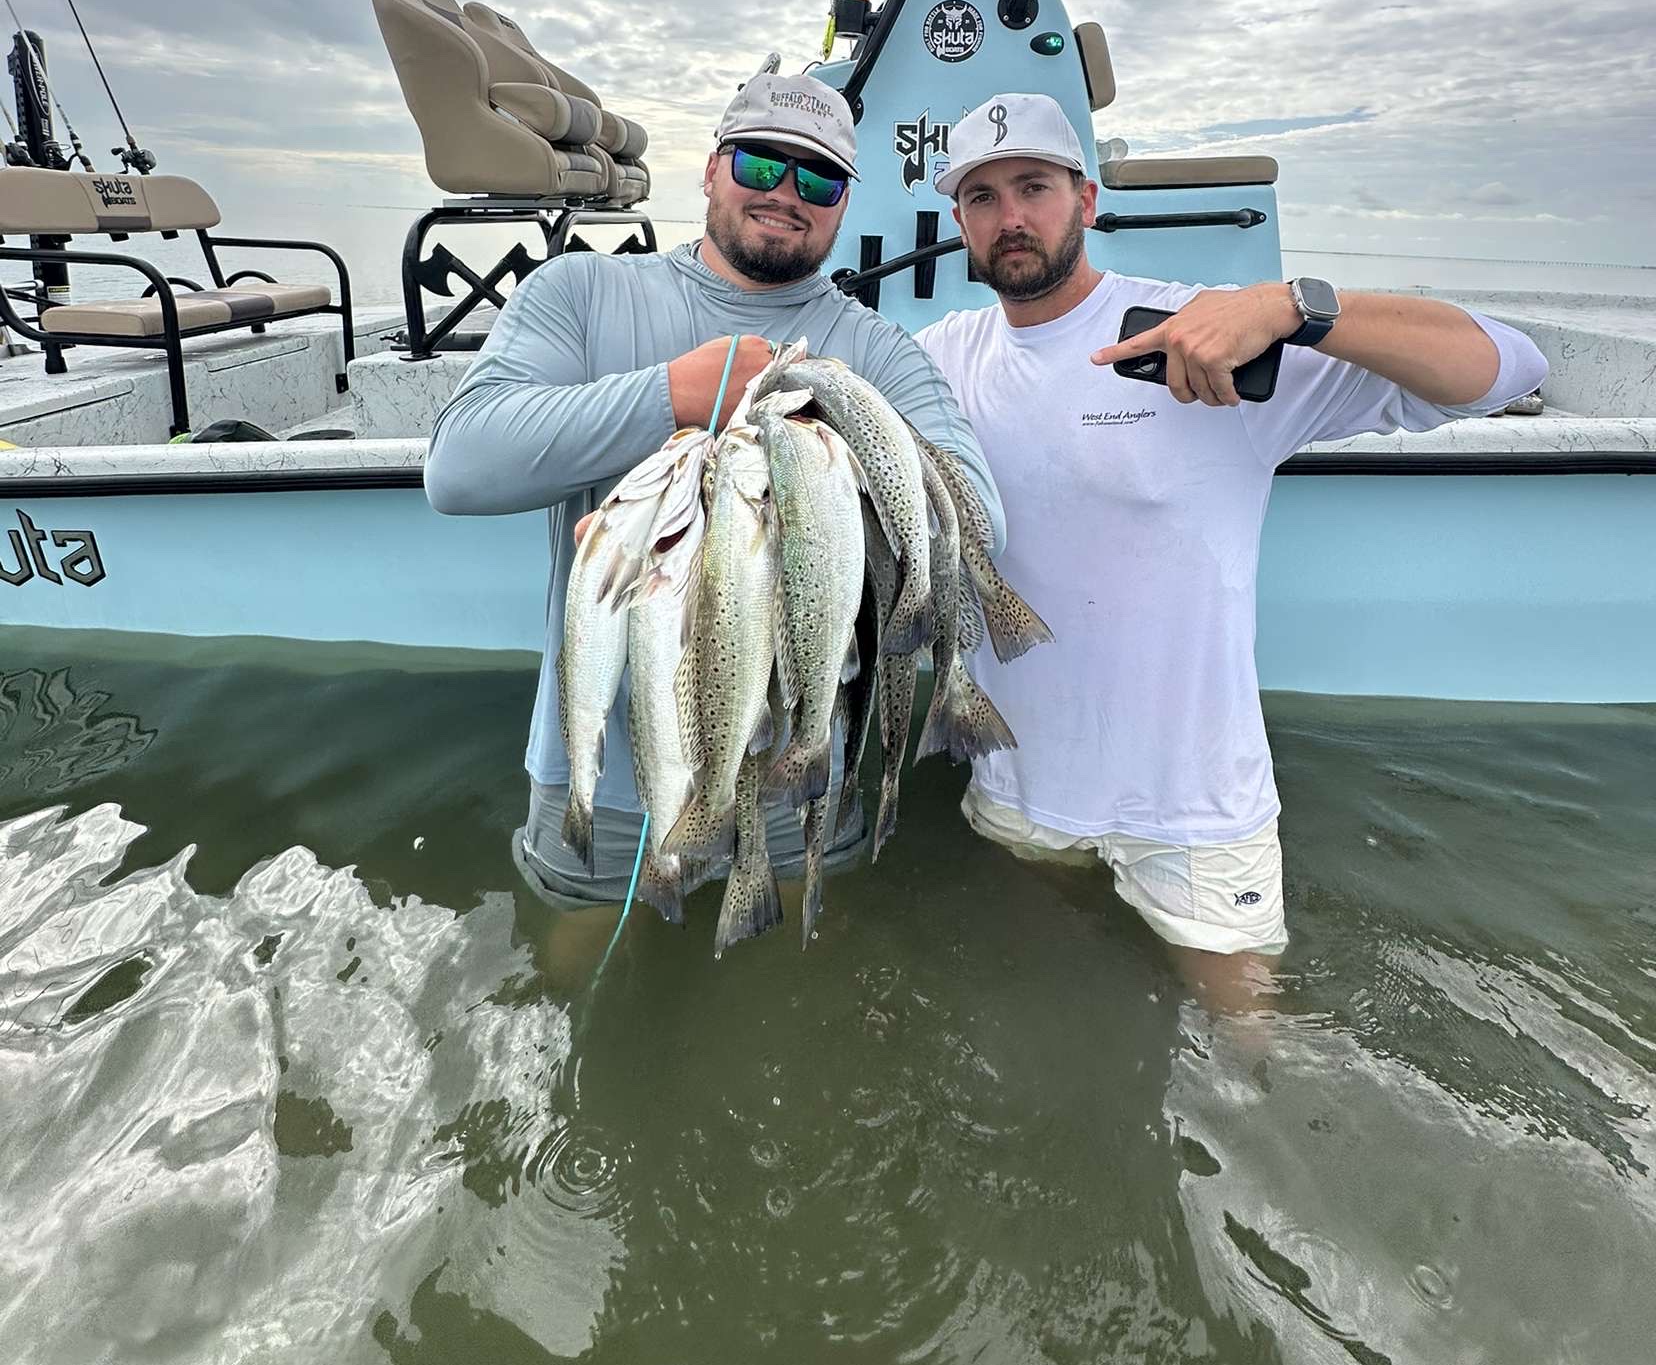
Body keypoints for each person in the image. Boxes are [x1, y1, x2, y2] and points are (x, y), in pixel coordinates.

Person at [916, 93, 1548, 1005]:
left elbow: (1508, 369)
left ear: (1085, 201)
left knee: (1249, 1069)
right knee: (1040, 1024)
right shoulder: (941, 356)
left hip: (1199, 821)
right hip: (1018, 791)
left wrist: (1293, 306)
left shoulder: (1209, 335)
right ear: (960, 222)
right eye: (982, 197)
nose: (1011, 218)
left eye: (1034, 187)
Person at [424, 65, 1003, 970]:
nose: (784, 193)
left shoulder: (873, 350)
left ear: (844, 203)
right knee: (575, 968)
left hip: (794, 779)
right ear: (710, 168)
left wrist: (821, 487)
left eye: (817, 179)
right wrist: (672, 396)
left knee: (796, 981)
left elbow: (976, 517)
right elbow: (458, 467)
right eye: (760, 163)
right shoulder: (580, 294)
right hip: (611, 780)